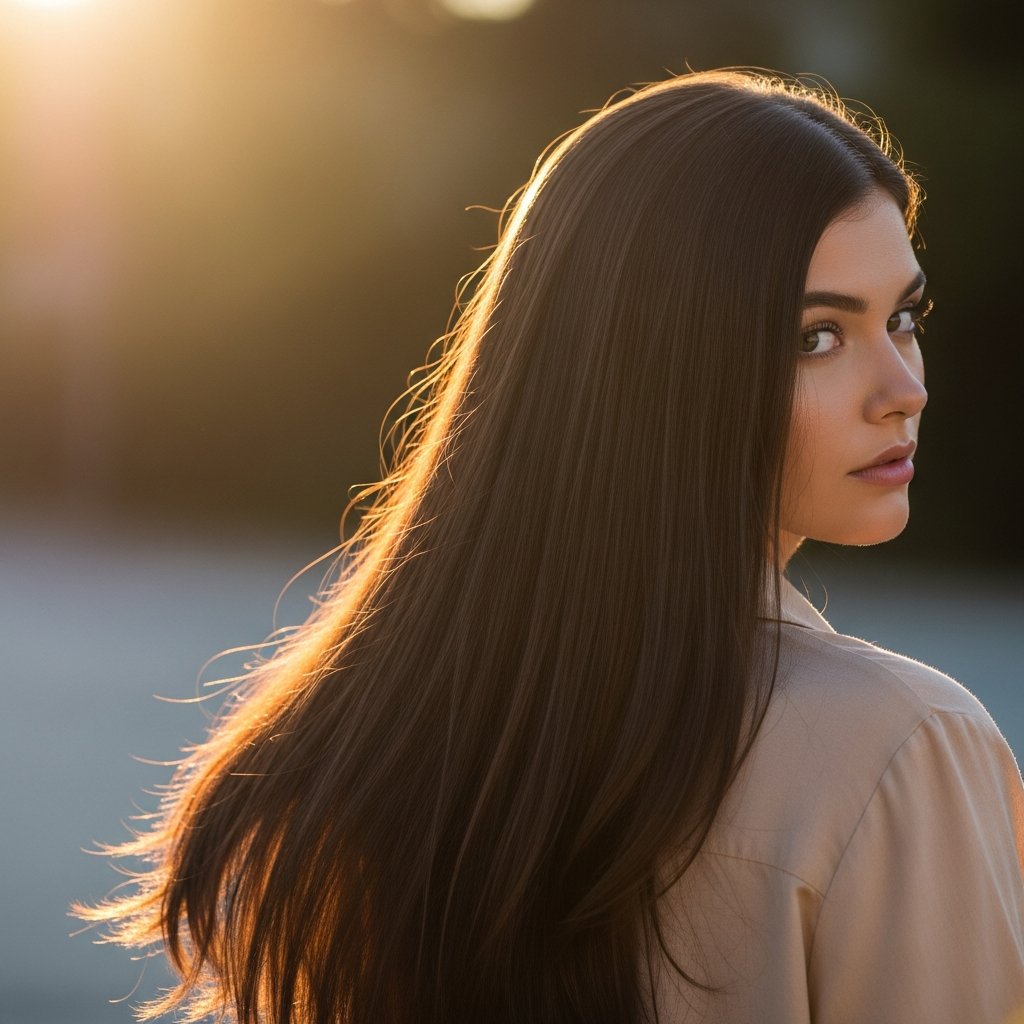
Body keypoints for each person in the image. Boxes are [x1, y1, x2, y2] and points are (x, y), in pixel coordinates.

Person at [76, 68, 1024, 1023]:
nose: (905, 386)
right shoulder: (902, 747)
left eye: (903, 318)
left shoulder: (388, 734)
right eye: (818, 336)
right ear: (656, 364)